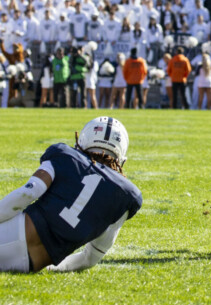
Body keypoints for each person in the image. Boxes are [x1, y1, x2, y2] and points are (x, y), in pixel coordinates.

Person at [0, 117, 141, 273]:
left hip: (11, 233)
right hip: (29, 265)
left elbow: (28, 193)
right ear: (121, 159)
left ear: (81, 141)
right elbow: (90, 258)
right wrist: (50, 269)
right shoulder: (125, 195)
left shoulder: (64, 155)